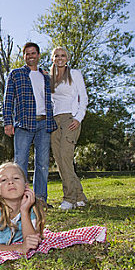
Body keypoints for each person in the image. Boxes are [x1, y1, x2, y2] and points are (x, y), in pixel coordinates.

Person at [3, 42, 57, 203]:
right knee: (20, 163)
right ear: (24, 56)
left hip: (44, 124)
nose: (31, 56)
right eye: (27, 54)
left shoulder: (46, 77)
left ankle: (40, 199)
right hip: (24, 124)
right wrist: (8, 122)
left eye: (33, 53)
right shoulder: (16, 74)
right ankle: (19, 198)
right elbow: (8, 100)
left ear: (38, 55)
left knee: (42, 163)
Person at [50, 47, 88, 210]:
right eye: (56, 55)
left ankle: (69, 198)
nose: (60, 58)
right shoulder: (49, 77)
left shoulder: (75, 74)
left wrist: (78, 118)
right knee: (60, 161)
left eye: (63, 55)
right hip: (54, 121)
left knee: (66, 158)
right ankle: (80, 196)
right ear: (52, 58)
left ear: (67, 58)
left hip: (70, 119)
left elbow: (84, 98)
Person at [0, 162, 46, 253]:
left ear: (26, 186)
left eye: (16, 178)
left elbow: (31, 242)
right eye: (4, 180)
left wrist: (24, 211)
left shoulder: (30, 205)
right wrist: (19, 248)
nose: (10, 182)